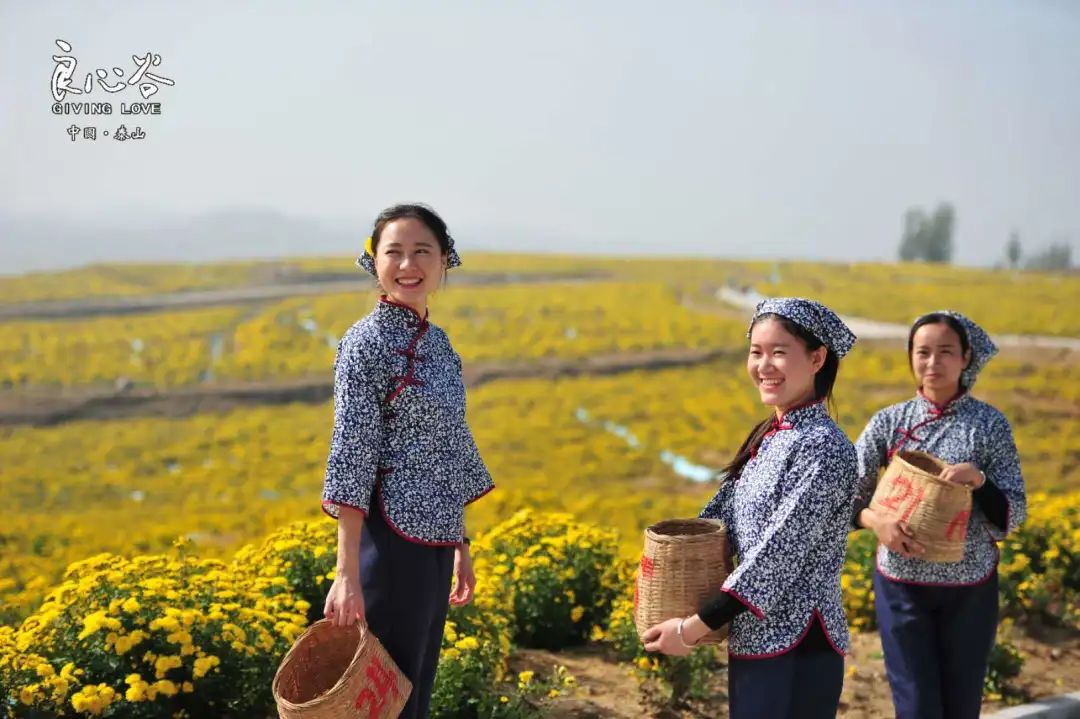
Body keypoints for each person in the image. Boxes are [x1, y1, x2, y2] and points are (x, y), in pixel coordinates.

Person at [644, 298, 859, 719]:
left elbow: (776, 556)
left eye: (779, 352)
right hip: (757, 637)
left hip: (798, 644)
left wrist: (691, 630)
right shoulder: (772, 435)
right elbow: (718, 520)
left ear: (817, 359)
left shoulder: (824, 448)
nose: (764, 365)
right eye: (756, 352)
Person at [320, 203, 495, 718]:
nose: (408, 264)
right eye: (393, 252)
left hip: (435, 544)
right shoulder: (363, 344)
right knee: (380, 694)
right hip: (389, 543)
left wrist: (460, 542)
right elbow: (352, 455)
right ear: (373, 262)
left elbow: (451, 446)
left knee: (414, 686)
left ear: (445, 261)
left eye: (423, 251)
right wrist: (346, 572)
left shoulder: (440, 346)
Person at [852, 311, 1026, 719]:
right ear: (910, 357)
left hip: (971, 588)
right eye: (923, 352)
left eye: (945, 352)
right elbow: (849, 497)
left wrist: (979, 480)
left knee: (961, 705)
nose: (933, 363)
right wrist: (876, 521)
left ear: (966, 357)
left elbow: (1014, 509)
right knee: (916, 706)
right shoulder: (889, 422)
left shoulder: (990, 425)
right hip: (901, 585)